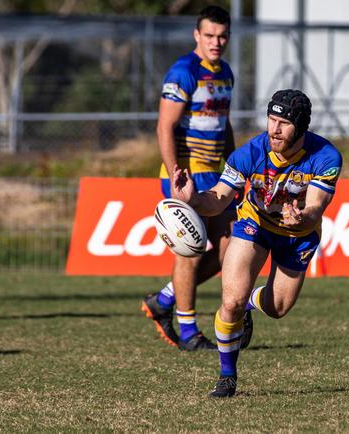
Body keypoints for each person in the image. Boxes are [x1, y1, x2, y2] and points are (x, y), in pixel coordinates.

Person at [171, 89, 342, 397]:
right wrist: (194, 199)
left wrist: (303, 217)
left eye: (283, 123)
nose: (274, 129)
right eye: (271, 120)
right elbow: (219, 199)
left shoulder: (326, 157)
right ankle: (227, 376)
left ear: (301, 126)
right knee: (231, 300)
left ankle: (253, 304)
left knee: (277, 308)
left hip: (298, 235)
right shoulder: (250, 153)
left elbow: (316, 206)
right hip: (255, 224)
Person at [141, 5, 237, 351]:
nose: (216, 42)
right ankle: (187, 332)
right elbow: (164, 125)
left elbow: (223, 123)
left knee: (232, 248)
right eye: (209, 35)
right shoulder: (183, 72)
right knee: (191, 251)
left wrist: (235, 164)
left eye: (222, 36)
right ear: (197, 35)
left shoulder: (225, 72)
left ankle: (165, 299)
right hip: (184, 173)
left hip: (216, 173)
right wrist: (175, 170)